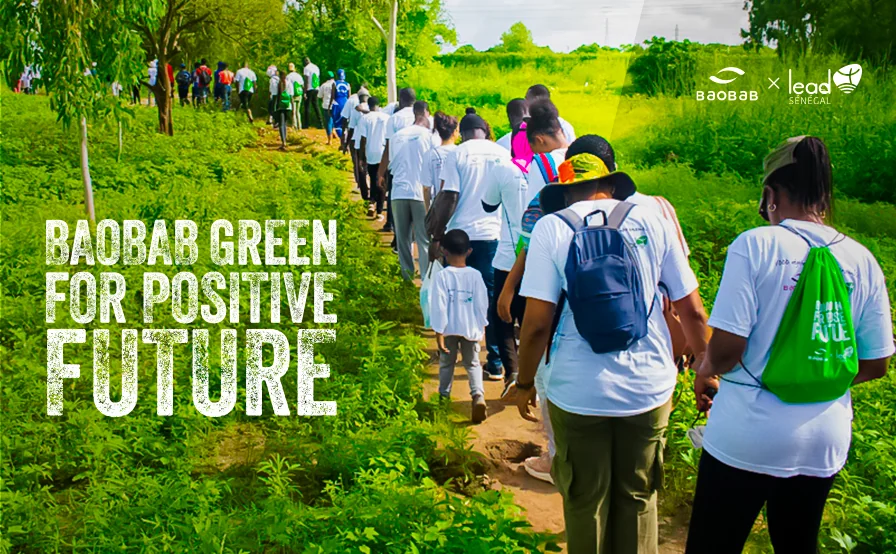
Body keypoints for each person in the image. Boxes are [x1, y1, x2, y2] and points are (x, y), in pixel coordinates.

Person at [685, 136, 894, 554]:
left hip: (748, 433)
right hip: (825, 437)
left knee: (712, 544)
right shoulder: (861, 258)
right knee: (797, 544)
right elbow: (876, 363)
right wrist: (807, 377)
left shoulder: (756, 244)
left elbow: (726, 352)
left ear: (770, 195)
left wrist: (704, 370)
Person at [513, 135, 710, 554]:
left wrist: (525, 381)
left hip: (577, 389)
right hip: (649, 387)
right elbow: (692, 311)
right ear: (611, 184)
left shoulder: (553, 226)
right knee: (638, 498)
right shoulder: (653, 219)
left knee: (586, 501)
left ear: (566, 191)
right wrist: (707, 370)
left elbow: (535, 326)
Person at [428, 108, 509, 380]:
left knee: (455, 293)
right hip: (493, 236)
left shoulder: (458, 154)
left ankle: (454, 351)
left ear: (461, 134)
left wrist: (438, 236)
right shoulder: (501, 153)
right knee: (491, 298)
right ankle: (495, 361)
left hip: (462, 235)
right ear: (485, 132)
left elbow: (450, 196)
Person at [430, 229, 489, 423]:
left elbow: (439, 304)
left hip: (448, 329)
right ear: (469, 251)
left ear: (443, 251)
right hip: (470, 328)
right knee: (472, 364)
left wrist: (438, 331)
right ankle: (478, 396)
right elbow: (482, 303)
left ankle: (443, 398)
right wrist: (482, 325)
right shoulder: (475, 275)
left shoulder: (442, 276)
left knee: (447, 364)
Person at [389, 100, 434, 280]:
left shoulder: (397, 136)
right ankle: (425, 280)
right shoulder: (430, 137)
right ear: (427, 113)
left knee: (403, 240)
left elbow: (392, 166)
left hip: (398, 193)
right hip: (420, 194)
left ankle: (406, 278)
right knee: (423, 240)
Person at [377, 87, 417, 234]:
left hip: (398, 166)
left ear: (400, 100)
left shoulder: (394, 118)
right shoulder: (424, 118)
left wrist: (381, 172)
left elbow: (388, 148)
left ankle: (392, 227)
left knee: (395, 198)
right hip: (418, 166)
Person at [358, 96, 390, 219]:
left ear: (369, 105)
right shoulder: (387, 118)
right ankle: (380, 211)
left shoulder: (365, 119)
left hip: (370, 152)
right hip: (384, 153)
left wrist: (361, 157)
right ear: (379, 104)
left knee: (372, 178)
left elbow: (363, 139)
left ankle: (372, 203)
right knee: (382, 181)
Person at [424, 112, 459, 197]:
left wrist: (428, 209)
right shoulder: (461, 152)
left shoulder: (430, 154)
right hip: (460, 206)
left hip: (439, 204)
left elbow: (426, 188)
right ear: (454, 133)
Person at [346, 88, 370, 196]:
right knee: (370, 164)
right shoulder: (374, 109)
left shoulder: (356, 110)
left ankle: (361, 186)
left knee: (358, 164)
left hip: (357, 140)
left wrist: (345, 143)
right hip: (371, 140)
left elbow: (351, 128)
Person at [329, 69, 351, 148]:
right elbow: (349, 96)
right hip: (345, 103)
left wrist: (329, 107)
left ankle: (342, 142)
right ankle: (346, 141)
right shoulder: (347, 84)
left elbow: (333, 96)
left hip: (337, 103)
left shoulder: (334, 83)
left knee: (337, 123)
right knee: (345, 123)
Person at [272, 69, 293, 151]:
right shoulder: (289, 83)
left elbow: (275, 96)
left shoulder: (278, 84)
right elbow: (291, 96)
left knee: (281, 124)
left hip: (280, 106)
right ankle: (285, 140)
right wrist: (292, 108)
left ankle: (283, 141)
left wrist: (274, 108)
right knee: (285, 124)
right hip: (288, 106)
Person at [302, 57, 325, 128]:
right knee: (316, 106)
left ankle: (306, 124)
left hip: (309, 89)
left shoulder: (306, 68)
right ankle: (321, 123)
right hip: (316, 88)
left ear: (305, 61)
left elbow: (306, 80)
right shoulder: (316, 67)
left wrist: (304, 91)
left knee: (307, 107)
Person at [285, 63, 304, 129]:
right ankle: (300, 126)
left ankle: (295, 126)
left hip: (292, 94)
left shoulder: (288, 76)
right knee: (298, 111)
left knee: (293, 111)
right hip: (299, 94)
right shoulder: (299, 76)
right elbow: (302, 85)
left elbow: (286, 86)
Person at [319, 71, 336, 142]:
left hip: (326, 105)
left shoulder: (323, 85)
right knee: (334, 120)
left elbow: (320, 96)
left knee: (328, 121)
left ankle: (329, 140)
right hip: (335, 105)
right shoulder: (336, 84)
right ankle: (334, 132)